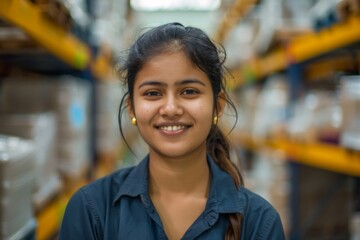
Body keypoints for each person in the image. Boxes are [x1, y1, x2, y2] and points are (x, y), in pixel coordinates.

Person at [59, 22, 285, 240]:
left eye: (188, 91)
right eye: (153, 93)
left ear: (218, 105)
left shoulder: (259, 223)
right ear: (132, 109)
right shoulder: (92, 210)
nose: (170, 109)